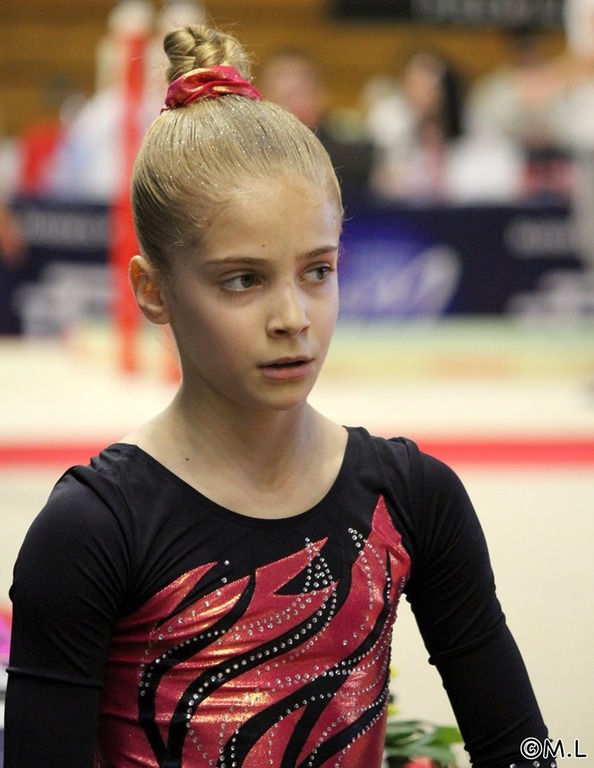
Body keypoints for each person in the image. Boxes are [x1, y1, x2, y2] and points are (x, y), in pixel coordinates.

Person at [5, 24, 552, 768]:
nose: (292, 317)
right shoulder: (95, 532)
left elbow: (524, 749)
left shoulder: (412, 499)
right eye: (243, 279)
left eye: (317, 271)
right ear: (153, 290)